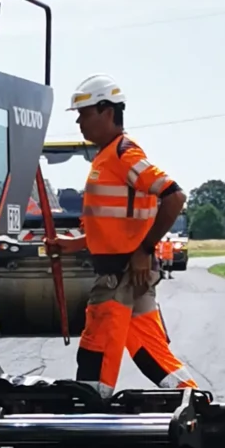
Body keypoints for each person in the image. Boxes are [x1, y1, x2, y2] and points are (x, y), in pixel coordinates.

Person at [70, 76, 196, 396]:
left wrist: (145, 249)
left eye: (84, 113)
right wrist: (70, 244)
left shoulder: (123, 154)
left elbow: (175, 196)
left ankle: (90, 415)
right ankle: (195, 400)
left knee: (96, 350)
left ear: (106, 111)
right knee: (149, 350)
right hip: (128, 271)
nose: (79, 121)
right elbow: (111, 225)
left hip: (120, 273)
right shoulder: (106, 156)